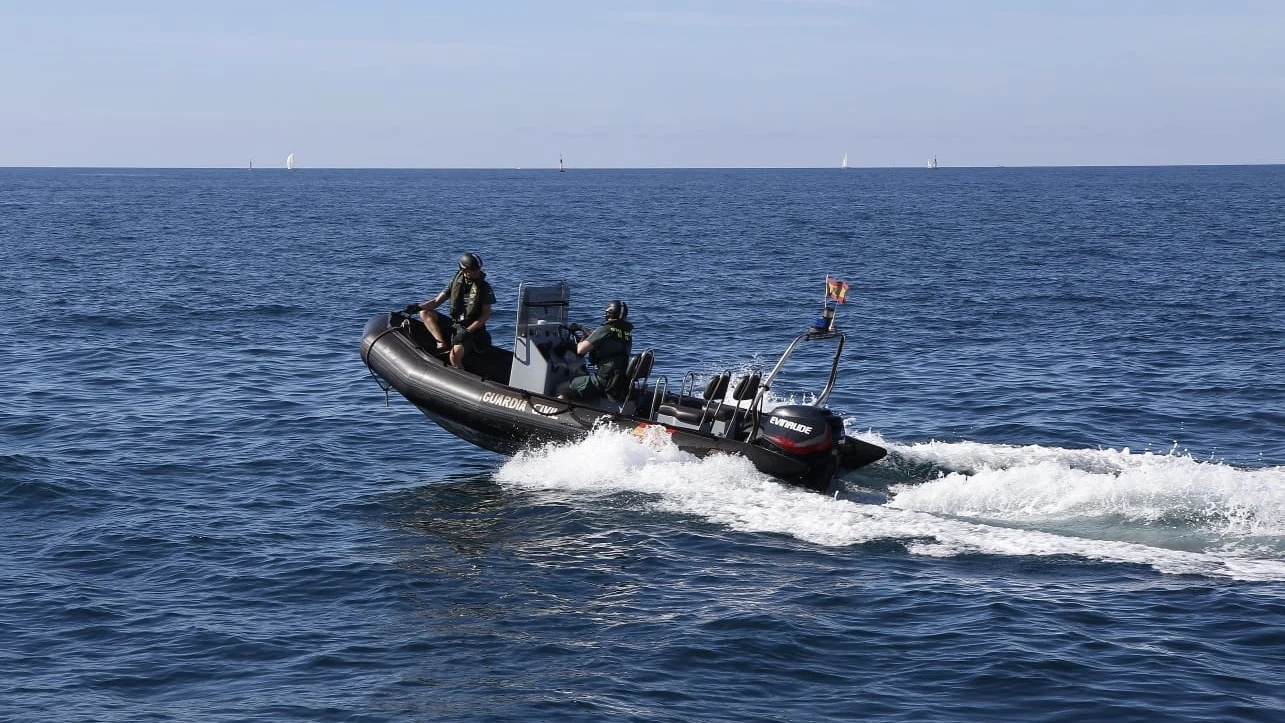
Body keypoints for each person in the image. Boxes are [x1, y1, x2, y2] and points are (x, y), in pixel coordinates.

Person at [412, 252, 496, 368]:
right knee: (425, 313)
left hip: (472, 331)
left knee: (454, 355)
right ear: (464, 270)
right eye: (474, 269)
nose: (477, 271)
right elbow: (436, 302)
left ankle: (462, 375)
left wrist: (466, 332)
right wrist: (417, 307)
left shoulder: (484, 288)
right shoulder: (456, 282)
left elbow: (485, 316)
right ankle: (441, 344)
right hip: (455, 325)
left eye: (478, 269)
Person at [559, 300, 634, 401]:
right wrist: (583, 329)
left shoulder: (605, 329)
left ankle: (556, 411)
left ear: (609, 313)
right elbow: (605, 340)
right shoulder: (627, 334)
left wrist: (582, 338)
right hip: (617, 381)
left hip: (602, 381)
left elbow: (580, 350)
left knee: (562, 387)